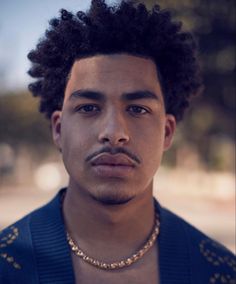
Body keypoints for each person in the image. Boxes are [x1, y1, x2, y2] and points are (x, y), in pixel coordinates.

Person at [0, 0, 235, 283]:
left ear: (167, 132)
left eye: (138, 109)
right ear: (59, 129)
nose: (113, 132)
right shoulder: (7, 264)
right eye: (88, 107)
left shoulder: (221, 272)